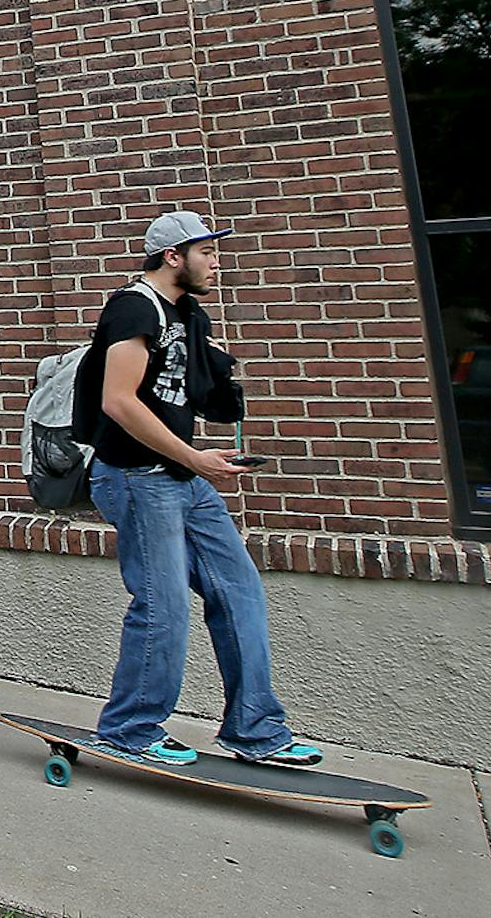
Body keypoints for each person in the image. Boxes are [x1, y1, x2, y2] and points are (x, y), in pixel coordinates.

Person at [71, 210, 323, 769]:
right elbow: (118, 400)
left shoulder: (187, 314)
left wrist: (217, 409)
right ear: (172, 256)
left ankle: (254, 729)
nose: (216, 261)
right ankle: (130, 727)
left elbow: (187, 387)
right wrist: (195, 458)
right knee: (162, 605)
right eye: (206, 252)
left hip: (183, 477)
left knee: (239, 590)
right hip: (137, 479)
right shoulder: (135, 308)